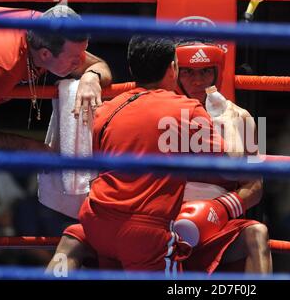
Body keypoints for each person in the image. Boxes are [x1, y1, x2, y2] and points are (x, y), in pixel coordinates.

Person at [47, 40, 270, 274]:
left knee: (258, 232)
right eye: (188, 72)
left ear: (218, 71)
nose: (197, 81)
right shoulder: (167, 112)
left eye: (206, 71)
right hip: (156, 219)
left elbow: (257, 184)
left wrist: (220, 210)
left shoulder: (252, 121)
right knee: (76, 237)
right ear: (174, 70)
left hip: (213, 221)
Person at [0, 5, 112, 151]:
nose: (80, 62)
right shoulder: (1, 68)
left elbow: (98, 65)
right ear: (45, 54)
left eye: (82, 53)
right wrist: (31, 146)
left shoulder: (51, 29)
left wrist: (91, 77)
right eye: (74, 58)